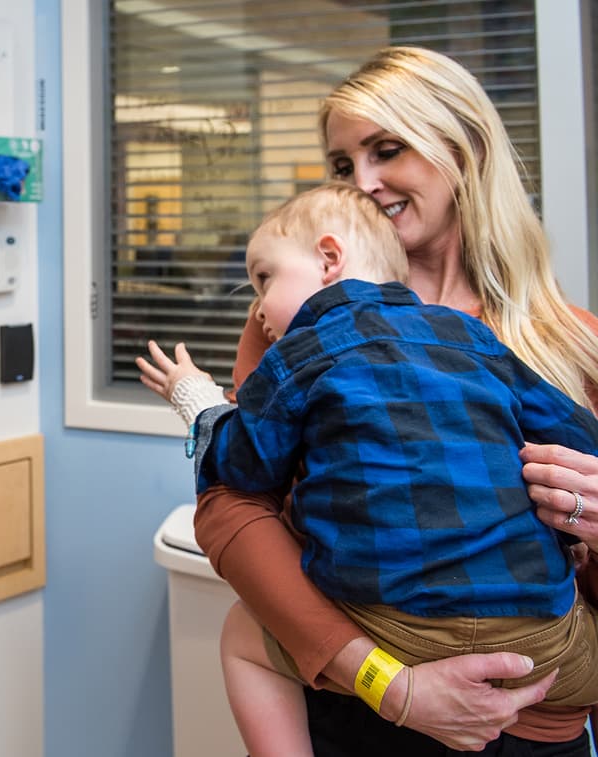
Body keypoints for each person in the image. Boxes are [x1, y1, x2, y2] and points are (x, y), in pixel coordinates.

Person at [182, 46, 598, 755]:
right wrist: (384, 680)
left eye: (387, 149)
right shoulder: (292, 328)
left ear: (462, 150)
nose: (365, 182)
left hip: (529, 717)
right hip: (354, 696)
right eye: (344, 165)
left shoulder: (571, 343)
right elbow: (231, 506)